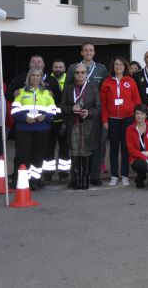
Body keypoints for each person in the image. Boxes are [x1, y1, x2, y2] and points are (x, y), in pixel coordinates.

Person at [67, 42, 109, 186]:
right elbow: (68, 88)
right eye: (86, 50)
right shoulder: (73, 68)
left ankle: (94, 176)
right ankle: (76, 177)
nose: (88, 52)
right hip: (75, 116)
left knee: (95, 147)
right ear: (81, 52)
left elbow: (104, 92)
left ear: (94, 52)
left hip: (94, 114)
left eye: (91, 50)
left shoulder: (101, 69)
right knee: (76, 148)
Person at [10, 68, 57, 190]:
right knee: (22, 156)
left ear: (41, 78)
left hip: (42, 130)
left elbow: (53, 110)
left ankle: (35, 182)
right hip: (24, 129)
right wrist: (24, 118)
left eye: (38, 75)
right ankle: (19, 181)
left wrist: (45, 116)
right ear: (29, 77)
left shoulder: (47, 93)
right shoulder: (21, 92)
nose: (35, 77)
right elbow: (14, 110)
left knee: (38, 157)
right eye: (33, 75)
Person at [100, 57, 141, 186]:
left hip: (128, 119)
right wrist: (105, 121)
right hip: (113, 120)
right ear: (113, 67)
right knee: (113, 148)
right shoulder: (107, 82)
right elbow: (103, 104)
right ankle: (113, 175)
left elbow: (137, 101)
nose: (119, 67)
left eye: (121, 65)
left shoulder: (130, 81)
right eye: (116, 64)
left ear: (125, 67)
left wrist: (137, 119)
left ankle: (124, 175)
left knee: (125, 148)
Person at [59, 63, 101, 189]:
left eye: (83, 72)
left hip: (87, 125)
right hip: (74, 124)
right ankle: (76, 180)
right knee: (75, 152)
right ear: (74, 74)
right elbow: (61, 106)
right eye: (77, 73)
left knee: (86, 151)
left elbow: (98, 107)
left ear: (86, 74)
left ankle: (85, 180)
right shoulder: (68, 88)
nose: (80, 75)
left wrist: (89, 112)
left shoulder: (92, 87)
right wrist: (71, 108)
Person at [43, 58, 69, 183]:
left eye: (60, 67)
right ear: (52, 68)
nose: (58, 69)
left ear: (64, 68)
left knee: (64, 149)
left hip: (64, 119)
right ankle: (48, 174)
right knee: (48, 149)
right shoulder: (46, 80)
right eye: (55, 67)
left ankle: (64, 174)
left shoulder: (70, 80)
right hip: (49, 119)